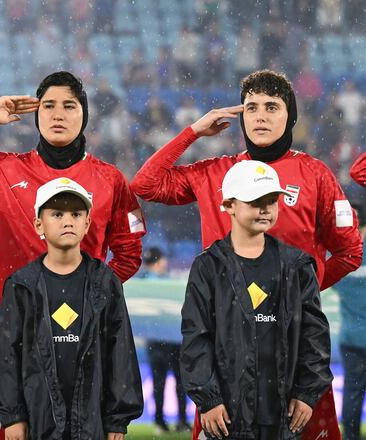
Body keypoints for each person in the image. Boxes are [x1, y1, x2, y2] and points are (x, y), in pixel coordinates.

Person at [131, 69, 361, 440]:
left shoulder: (316, 175)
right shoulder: (215, 172)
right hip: (225, 345)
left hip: (294, 346)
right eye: (251, 107)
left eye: (272, 107)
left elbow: (349, 251)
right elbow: (145, 185)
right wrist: (192, 132)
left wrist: (300, 293)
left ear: (290, 116)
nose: (260, 116)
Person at [0, 71, 145, 438]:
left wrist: (90, 297)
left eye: (69, 106)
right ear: (36, 115)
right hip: (16, 341)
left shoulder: (110, 180)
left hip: (84, 345)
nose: (58, 114)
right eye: (48, 105)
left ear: (84, 114)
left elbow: (129, 254)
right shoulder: (3, 169)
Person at [180, 160, 332, 440]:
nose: (265, 209)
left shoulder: (297, 265)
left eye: (271, 201)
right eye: (255, 201)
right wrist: (209, 399)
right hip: (226, 420)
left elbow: (315, 336)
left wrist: (307, 393)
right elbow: (196, 338)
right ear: (229, 205)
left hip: (284, 420)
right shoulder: (208, 266)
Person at [0, 177, 143, 440]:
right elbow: (4, 355)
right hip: (37, 422)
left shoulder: (105, 282)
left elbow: (120, 352)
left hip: (93, 424)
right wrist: (12, 416)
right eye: (57, 214)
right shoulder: (21, 285)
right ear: (38, 224)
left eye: (76, 214)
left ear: (87, 223)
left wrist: (117, 420)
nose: (68, 221)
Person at [137, 247, 189, 433]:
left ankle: (160, 421)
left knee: (159, 382)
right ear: (160, 262)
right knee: (179, 382)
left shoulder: (141, 284)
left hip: (155, 340)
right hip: (173, 339)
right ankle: (181, 420)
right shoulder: (168, 284)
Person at [337, 203, 366, 440]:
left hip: (350, 337)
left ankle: (351, 437)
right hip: (356, 336)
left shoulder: (341, 256)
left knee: (352, 392)